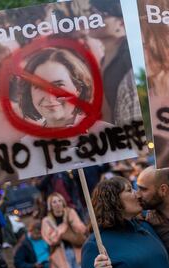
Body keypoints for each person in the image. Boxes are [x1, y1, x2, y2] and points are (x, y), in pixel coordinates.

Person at [16, 47, 137, 179]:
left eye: (58, 85)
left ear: (78, 88)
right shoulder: (25, 149)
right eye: (39, 87)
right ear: (30, 94)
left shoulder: (110, 136)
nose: (50, 96)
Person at [81, 176, 169, 268]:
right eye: (129, 190)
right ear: (113, 200)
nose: (137, 194)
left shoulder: (146, 226)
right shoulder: (95, 244)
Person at [88, 0, 141, 125]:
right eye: (92, 13)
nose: (93, 19)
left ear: (121, 23)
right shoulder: (104, 59)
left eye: (101, 14)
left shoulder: (130, 57)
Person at [42, 192, 88, 268]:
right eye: (54, 202)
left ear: (63, 202)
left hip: (76, 250)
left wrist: (71, 222)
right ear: (50, 205)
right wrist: (64, 227)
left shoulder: (70, 213)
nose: (57, 204)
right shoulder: (47, 221)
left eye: (59, 200)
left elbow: (82, 229)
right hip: (60, 254)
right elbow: (50, 239)